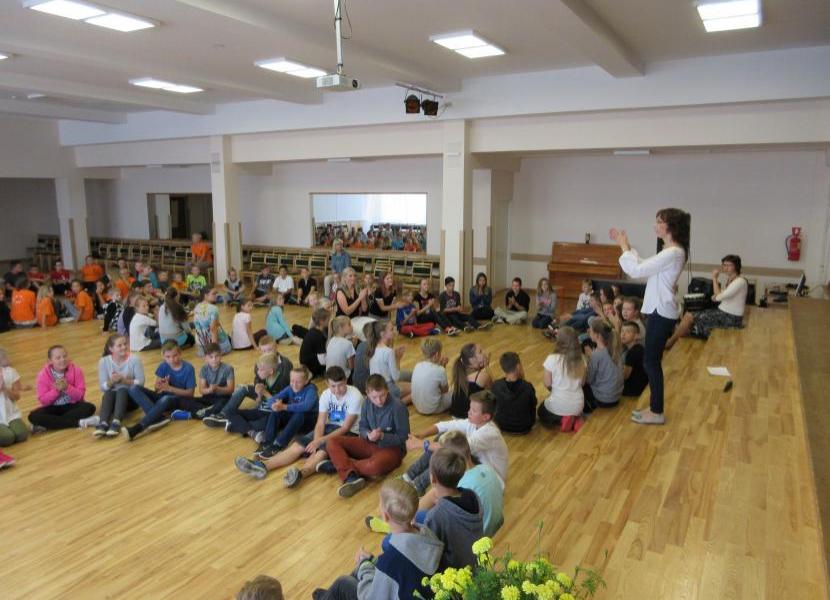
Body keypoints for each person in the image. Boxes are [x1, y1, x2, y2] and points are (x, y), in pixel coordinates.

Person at [610, 208, 690, 425]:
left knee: (651, 362)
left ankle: (657, 411)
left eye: (659, 222)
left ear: (670, 226)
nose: (655, 226)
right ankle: (655, 408)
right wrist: (628, 247)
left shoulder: (673, 252)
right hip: (659, 310)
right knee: (651, 361)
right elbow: (644, 265)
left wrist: (624, 246)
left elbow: (637, 270)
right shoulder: (670, 251)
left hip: (661, 312)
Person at [312, 479, 442, 600]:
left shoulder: (390, 562)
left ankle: (333, 594)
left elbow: (370, 597)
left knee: (342, 583)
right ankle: (332, 595)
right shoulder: (427, 534)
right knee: (363, 567)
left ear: (385, 516)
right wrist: (370, 562)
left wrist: (364, 565)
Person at [235, 366, 363, 486]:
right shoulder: (326, 394)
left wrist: (319, 442)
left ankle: (300, 474)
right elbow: (320, 423)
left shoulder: (355, 395)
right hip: (329, 427)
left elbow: (345, 428)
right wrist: (316, 441)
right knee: (298, 446)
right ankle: (263, 466)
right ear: (327, 384)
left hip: (349, 433)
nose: (337, 390)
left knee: (321, 452)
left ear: (346, 380)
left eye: (340, 385)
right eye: (333, 386)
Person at [366, 430, 504, 539]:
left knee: (430, 503)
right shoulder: (486, 468)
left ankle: (396, 523)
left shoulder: (461, 481)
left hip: (475, 536)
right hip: (489, 527)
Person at [405, 390, 508, 494]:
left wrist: (420, 444)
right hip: (478, 466)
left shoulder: (489, 433)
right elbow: (445, 425)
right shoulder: (474, 422)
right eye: (470, 408)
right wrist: (421, 435)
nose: (469, 412)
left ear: (486, 417)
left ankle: (418, 486)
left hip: (491, 480)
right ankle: (409, 476)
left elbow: (453, 449)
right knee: (443, 437)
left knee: (451, 454)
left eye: (474, 410)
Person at [325, 374, 410, 498]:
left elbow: (404, 437)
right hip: (370, 442)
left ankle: (340, 465)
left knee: (374, 467)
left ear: (387, 390)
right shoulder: (366, 403)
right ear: (367, 394)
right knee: (332, 441)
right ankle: (347, 471)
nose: (379, 400)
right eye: (374, 397)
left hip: (393, 449)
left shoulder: (398, 407)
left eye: (382, 395)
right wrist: (368, 435)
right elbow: (362, 426)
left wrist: (382, 436)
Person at [666, 254, 748, 349]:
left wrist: (714, 278)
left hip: (730, 318)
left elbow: (719, 296)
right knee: (691, 315)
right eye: (724, 265)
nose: (725, 268)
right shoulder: (732, 279)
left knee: (688, 316)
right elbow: (723, 294)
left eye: (728, 265)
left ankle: (670, 342)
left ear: (736, 266)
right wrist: (717, 296)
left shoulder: (740, 281)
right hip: (724, 313)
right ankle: (684, 336)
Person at [204, 350, 292, 437]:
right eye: (258, 369)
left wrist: (265, 393)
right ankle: (250, 432)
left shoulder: (281, 381)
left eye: (261, 370)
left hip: (271, 414)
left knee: (257, 425)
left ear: (271, 371)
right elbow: (259, 402)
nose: (258, 372)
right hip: (260, 410)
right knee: (229, 412)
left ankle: (236, 426)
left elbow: (278, 407)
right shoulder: (264, 378)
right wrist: (259, 394)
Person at [421, 448, 484, 570]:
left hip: (454, 573)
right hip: (476, 564)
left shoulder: (436, 516)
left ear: (433, 479)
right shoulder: (473, 496)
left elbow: (429, 555)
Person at [125, 341, 197, 441]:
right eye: (168, 357)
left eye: (175, 356)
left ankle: (138, 428)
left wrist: (169, 388)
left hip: (179, 400)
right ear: (163, 356)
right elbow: (156, 389)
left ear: (180, 353)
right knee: (133, 388)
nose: (172, 359)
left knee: (166, 398)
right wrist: (161, 385)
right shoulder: (163, 366)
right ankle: (158, 418)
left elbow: (190, 394)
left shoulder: (188, 368)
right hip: (163, 398)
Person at [254, 367, 318, 458]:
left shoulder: (311, 390)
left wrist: (284, 406)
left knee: (299, 413)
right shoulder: (289, 388)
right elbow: (275, 397)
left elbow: (306, 406)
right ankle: (268, 441)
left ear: (306, 381)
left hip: (308, 424)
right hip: (295, 421)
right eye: (292, 381)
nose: (294, 384)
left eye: (298, 382)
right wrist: (274, 405)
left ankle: (279, 444)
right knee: (276, 412)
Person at [31, 345, 96, 431]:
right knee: (33, 416)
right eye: (58, 358)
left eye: (65, 356)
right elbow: (43, 401)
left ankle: (49, 424)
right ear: (50, 361)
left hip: (72, 405)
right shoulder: (42, 375)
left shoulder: (76, 370)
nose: (63, 359)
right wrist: (56, 391)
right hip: (52, 407)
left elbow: (80, 396)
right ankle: (79, 422)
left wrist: (67, 388)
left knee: (90, 407)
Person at [94, 334, 144, 438]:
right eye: (119, 345)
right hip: (112, 401)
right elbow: (103, 387)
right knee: (109, 393)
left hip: (131, 400)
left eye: (125, 344)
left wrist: (124, 381)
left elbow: (141, 383)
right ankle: (103, 423)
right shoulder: (104, 362)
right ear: (111, 349)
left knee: (122, 390)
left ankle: (116, 422)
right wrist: (111, 382)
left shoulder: (134, 359)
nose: (124, 347)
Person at [538, 326, 586, 431]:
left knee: (541, 412)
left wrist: (555, 390)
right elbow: (582, 383)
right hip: (578, 405)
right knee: (570, 408)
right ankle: (575, 419)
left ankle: (563, 420)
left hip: (558, 405)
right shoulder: (582, 359)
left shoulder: (552, 358)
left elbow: (547, 383)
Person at [491, 351, 537, 434]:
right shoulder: (527, 387)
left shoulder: (496, 385)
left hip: (502, 425)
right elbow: (533, 404)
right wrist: (522, 378)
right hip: (524, 427)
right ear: (518, 366)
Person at [367, 320, 411, 405]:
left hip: (375, 387)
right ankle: (395, 405)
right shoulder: (388, 352)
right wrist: (398, 359)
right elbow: (396, 377)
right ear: (382, 334)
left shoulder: (373, 348)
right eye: (391, 329)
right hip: (387, 388)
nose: (394, 331)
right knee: (417, 388)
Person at [584, 320, 624, 410]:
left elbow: (589, 379)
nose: (588, 332)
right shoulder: (614, 348)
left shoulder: (597, 354)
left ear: (597, 336)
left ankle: (588, 410)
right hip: (617, 396)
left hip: (604, 400)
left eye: (590, 331)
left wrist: (588, 360)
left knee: (581, 384)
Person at [449, 343, 492, 418]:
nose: (484, 353)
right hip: (469, 419)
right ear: (472, 360)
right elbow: (494, 392)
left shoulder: (461, 373)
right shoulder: (482, 376)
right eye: (480, 352)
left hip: (455, 417)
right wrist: (487, 367)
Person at [194, 343, 236, 420]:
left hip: (223, 397)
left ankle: (204, 413)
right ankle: (208, 411)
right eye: (211, 357)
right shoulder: (204, 369)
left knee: (225, 403)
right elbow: (201, 390)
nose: (214, 359)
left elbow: (231, 389)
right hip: (208, 397)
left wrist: (218, 389)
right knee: (190, 400)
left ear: (221, 355)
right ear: (206, 358)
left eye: (217, 356)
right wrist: (209, 390)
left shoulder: (228, 368)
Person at [410, 338, 451, 415]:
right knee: (456, 394)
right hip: (433, 409)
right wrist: (443, 366)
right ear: (437, 354)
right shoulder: (440, 370)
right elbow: (445, 391)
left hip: (417, 406)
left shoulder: (418, 365)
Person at [0, 348, 28, 457]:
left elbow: (17, 397)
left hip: (11, 414)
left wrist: (4, 389)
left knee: (21, 435)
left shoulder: (11, 372)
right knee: (7, 438)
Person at [193, 288, 232, 356]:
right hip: (212, 340)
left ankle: (205, 351)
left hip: (202, 341)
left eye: (216, 293)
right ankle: (212, 351)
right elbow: (213, 329)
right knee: (229, 341)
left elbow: (197, 327)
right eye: (213, 294)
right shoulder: (213, 308)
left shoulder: (197, 306)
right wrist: (214, 349)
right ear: (206, 295)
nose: (216, 295)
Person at [299, 308, 330, 378]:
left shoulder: (313, 330)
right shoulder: (318, 336)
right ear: (322, 321)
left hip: (306, 362)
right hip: (310, 366)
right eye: (328, 319)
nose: (329, 321)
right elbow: (322, 360)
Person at [621, 321, 648, 397]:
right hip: (643, 384)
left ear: (636, 336)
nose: (623, 334)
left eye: (628, 332)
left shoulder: (632, 353)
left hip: (634, 390)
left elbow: (625, 376)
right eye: (622, 331)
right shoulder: (639, 347)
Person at [325, 316, 356, 380]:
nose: (352, 326)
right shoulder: (348, 343)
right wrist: (354, 345)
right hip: (343, 377)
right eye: (349, 324)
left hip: (329, 375)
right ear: (341, 328)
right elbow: (351, 366)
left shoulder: (331, 340)